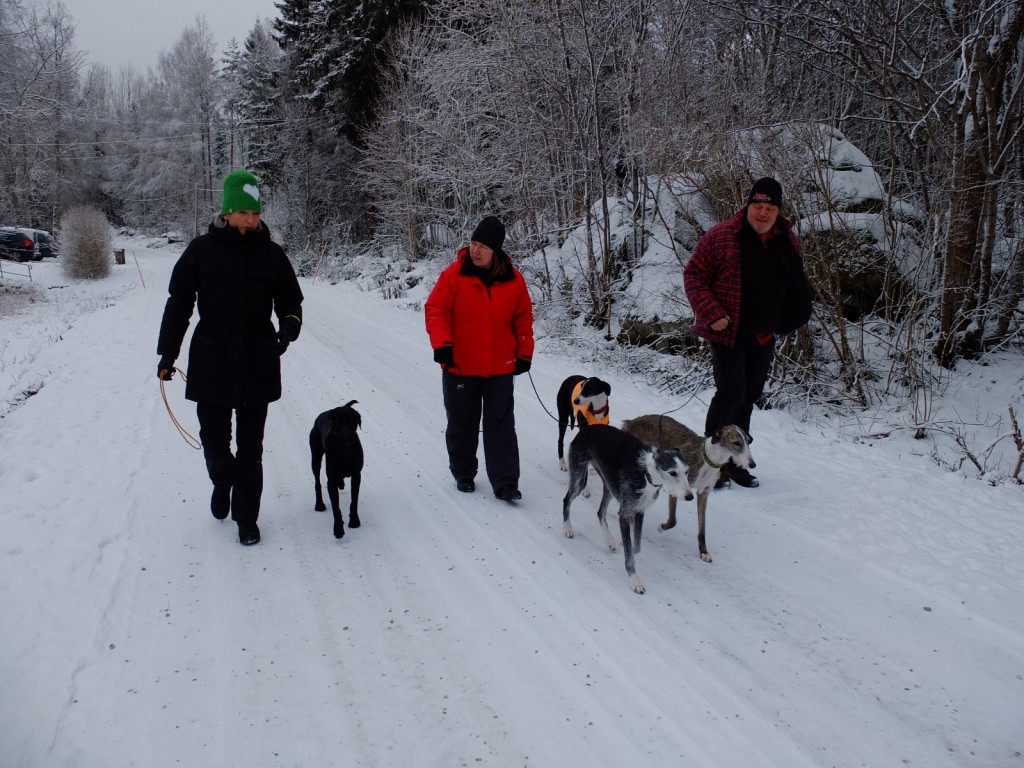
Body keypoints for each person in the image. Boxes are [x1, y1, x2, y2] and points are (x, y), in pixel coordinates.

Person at [156, 169, 304, 545]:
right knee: (216, 444)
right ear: (227, 212)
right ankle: (222, 481)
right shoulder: (200, 252)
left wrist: (286, 331)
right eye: (244, 213)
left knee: (251, 448)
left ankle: (246, 519)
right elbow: (179, 305)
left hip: (259, 359)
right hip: (211, 360)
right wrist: (167, 354)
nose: (251, 220)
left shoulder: (272, 255)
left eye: (255, 214)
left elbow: (291, 303)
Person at [684, 177, 812, 488]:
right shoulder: (722, 236)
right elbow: (694, 275)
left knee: (748, 398)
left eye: (769, 208)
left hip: (765, 335)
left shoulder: (786, 240)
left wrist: (787, 322)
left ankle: (734, 463)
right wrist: (712, 314)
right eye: (758, 206)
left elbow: (796, 284)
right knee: (730, 394)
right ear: (748, 206)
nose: (763, 213)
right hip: (728, 332)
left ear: (778, 211)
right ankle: (709, 465)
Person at [424, 215, 535, 502]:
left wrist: (524, 352)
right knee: (462, 423)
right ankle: (463, 472)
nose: (475, 250)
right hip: (460, 364)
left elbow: (523, 319)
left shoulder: (514, 280)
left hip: (500, 366)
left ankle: (506, 482)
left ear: (495, 250)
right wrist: (442, 345)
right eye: (473, 243)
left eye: (483, 245)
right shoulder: (454, 275)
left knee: (501, 425)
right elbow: (435, 310)